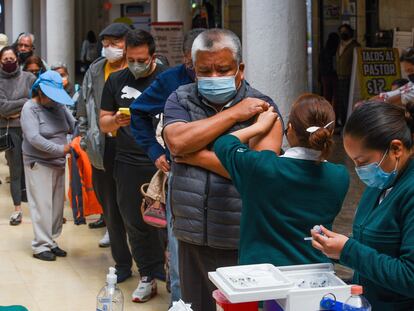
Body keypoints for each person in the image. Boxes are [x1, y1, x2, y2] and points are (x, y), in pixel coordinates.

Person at [163, 28, 283, 311]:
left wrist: (195, 156)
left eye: (223, 69)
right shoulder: (180, 99)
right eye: (205, 70)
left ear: (239, 69)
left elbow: (258, 175)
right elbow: (178, 141)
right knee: (195, 306)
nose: (214, 77)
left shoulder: (261, 107)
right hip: (192, 234)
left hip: (240, 237)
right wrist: (234, 114)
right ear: (193, 70)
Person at [214, 94, 349, 267]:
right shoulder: (340, 176)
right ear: (329, 133)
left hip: (261, 273)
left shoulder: (262, 166)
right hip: (315, 270)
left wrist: (259, 127)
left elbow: (224, 143)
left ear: (290, 129)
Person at [311, 101, 414, 310]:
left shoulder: (409, 190)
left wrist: (347, 250)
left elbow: (409, 277)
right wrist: (336, 248)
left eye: (362, 161)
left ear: (396, 148)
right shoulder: (383, 181)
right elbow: (376, 249)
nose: (359, 170)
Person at [130, 28, 205, 304]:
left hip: (220, 177)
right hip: (180, 174)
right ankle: (180, 302)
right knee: (178, 246)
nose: (205, 72)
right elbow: (138, 113)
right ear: (186, 58)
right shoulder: (171, 81)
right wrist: (154, 151)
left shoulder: (229, 79)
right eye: (195, 63)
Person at [99, 29, 167, 303]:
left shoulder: (168, 79)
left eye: (142, 59)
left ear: (153, 57)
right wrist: (115, 120)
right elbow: (102, 121)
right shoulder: (116, 80)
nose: (136, 64)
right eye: (131, 59)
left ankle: (170, 270)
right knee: (134, 221)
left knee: (166, 222)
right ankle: (147, 275)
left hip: (161, 161)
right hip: (126, 161)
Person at [77, 23, 130, 242]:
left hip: (132, 143)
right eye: (106, 43)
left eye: (115, 43)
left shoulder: (138, 67)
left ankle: (137, 240)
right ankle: (113, 231)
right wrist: (84, 134)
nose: (109, 48)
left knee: (131, 196)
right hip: (103, 141)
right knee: (107, 194)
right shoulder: (96, 69)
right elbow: (84, 103)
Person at [20, 70, 75, 261]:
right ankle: (40, 245)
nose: (53, 100)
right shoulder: (29, 108)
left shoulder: (59, 106)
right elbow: (33, 138)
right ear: (40, 92)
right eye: (50, 96)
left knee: (56, 206)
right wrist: (61, 149)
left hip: (59, 162)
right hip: (39, 162)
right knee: (42, 205)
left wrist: (76, 141)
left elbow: (73, 125)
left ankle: (51, 241)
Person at [0, 46, 36, 226]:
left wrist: (14, 109)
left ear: (17, 59)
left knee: (36, 170)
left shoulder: (29, 78)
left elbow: (37, 101)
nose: (8, 61)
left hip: (31, 129)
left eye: (11, 58)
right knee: (15, 171)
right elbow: (3, 108)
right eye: (5, 59)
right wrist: (24, 104)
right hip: (9, 131)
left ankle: (42, 209)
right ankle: (17, 210)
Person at [335, 24, 360, 128]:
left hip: (349, 78)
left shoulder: (355, 46)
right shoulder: (340, 44)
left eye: (345, 31)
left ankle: (348, 125)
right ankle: (343, 123)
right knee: (340, 102)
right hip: (339, 77)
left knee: (347, 102)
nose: (343, 33)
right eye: (341, 31)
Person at [319, 33, 339, 105]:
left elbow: (320, 64)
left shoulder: (324, 50)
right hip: (334, 75)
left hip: (325, 75)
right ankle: (334, 112)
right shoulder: (337, 50)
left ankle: (327, 112)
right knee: (336, 96)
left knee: (327, 95)